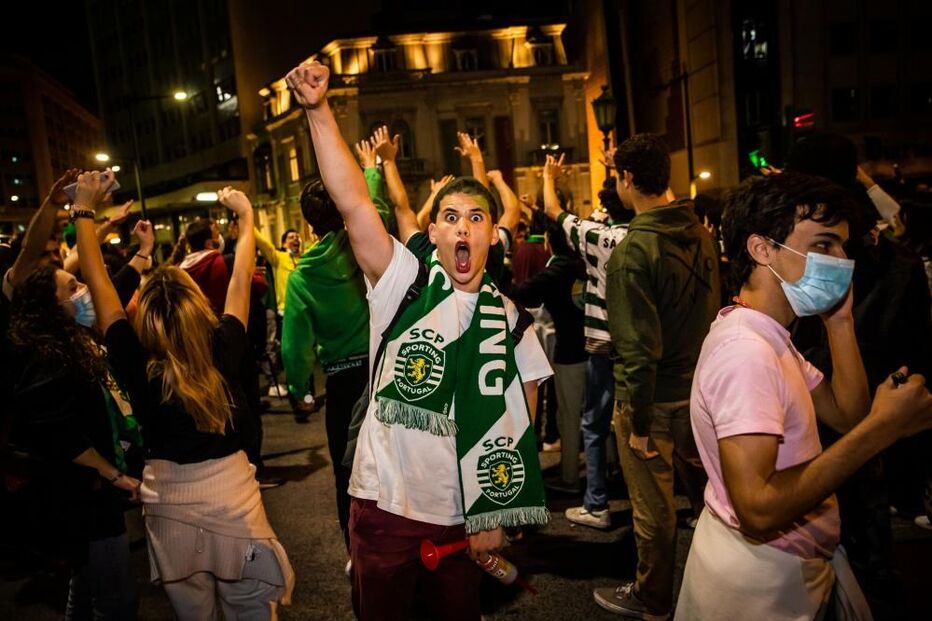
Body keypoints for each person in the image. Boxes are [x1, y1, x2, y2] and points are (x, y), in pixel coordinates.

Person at [286, 60, 551, 621]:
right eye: (450, 216)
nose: (461, 227)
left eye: (475, 217)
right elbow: (355, 202)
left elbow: (520, 422)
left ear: (490, 235)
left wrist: (494, 515)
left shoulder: (513, 321)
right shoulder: (403, 282)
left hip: (462, 515)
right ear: (432, 233)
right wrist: (317, 109)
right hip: (383, 506)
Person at [676, 172, 932, 620]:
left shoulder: (769, 334)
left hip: (785, 565)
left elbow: (845, 414)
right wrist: (885, 428)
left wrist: (840, 322)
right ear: (762, 249)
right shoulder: (747, 352)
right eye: (823, 245)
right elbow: (758, 508)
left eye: (843, 247)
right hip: (762, 584)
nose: (841, 260)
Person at [73, 173, 294, 620]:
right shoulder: (223, 344)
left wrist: (83, 210)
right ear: (197, 306)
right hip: (234, 502)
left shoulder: (134, 358)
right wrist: (247, 218)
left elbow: (101, 286)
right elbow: (236, 284)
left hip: (168, 507)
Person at [6, 170, 144, 619]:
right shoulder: (44, 355)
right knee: (117, 603)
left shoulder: (67, 339)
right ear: (51, 305)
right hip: (83, 492)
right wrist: (111, 473)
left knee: (84, 591)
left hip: (87, 488)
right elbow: (58, 431)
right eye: (72, 286)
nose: (81, 287)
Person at [593, 134, 718, 619]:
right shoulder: (701, 233)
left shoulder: (634, 251)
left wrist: (638, 423)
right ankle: (713, 589)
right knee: (708, 500)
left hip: (654, 403)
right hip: (701, 393)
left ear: (626, 180)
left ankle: (653, 598)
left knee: (655, 511)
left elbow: (638, 350)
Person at [534, 153, 630, 529]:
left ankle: (597, 504)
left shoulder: (599, 237)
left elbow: (552, 208)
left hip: (604, 347)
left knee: (595, 422)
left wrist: (548, 174)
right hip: (641, 347)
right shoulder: (648, 235)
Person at [509, 218, 588, 492]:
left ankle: (569, 476)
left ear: (548, 240)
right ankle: (606, 469)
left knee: (568, 414)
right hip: (596, 350)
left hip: (570, 350)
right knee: (595, 416)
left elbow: (522, 292)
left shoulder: (557, 270)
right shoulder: (582, 264)